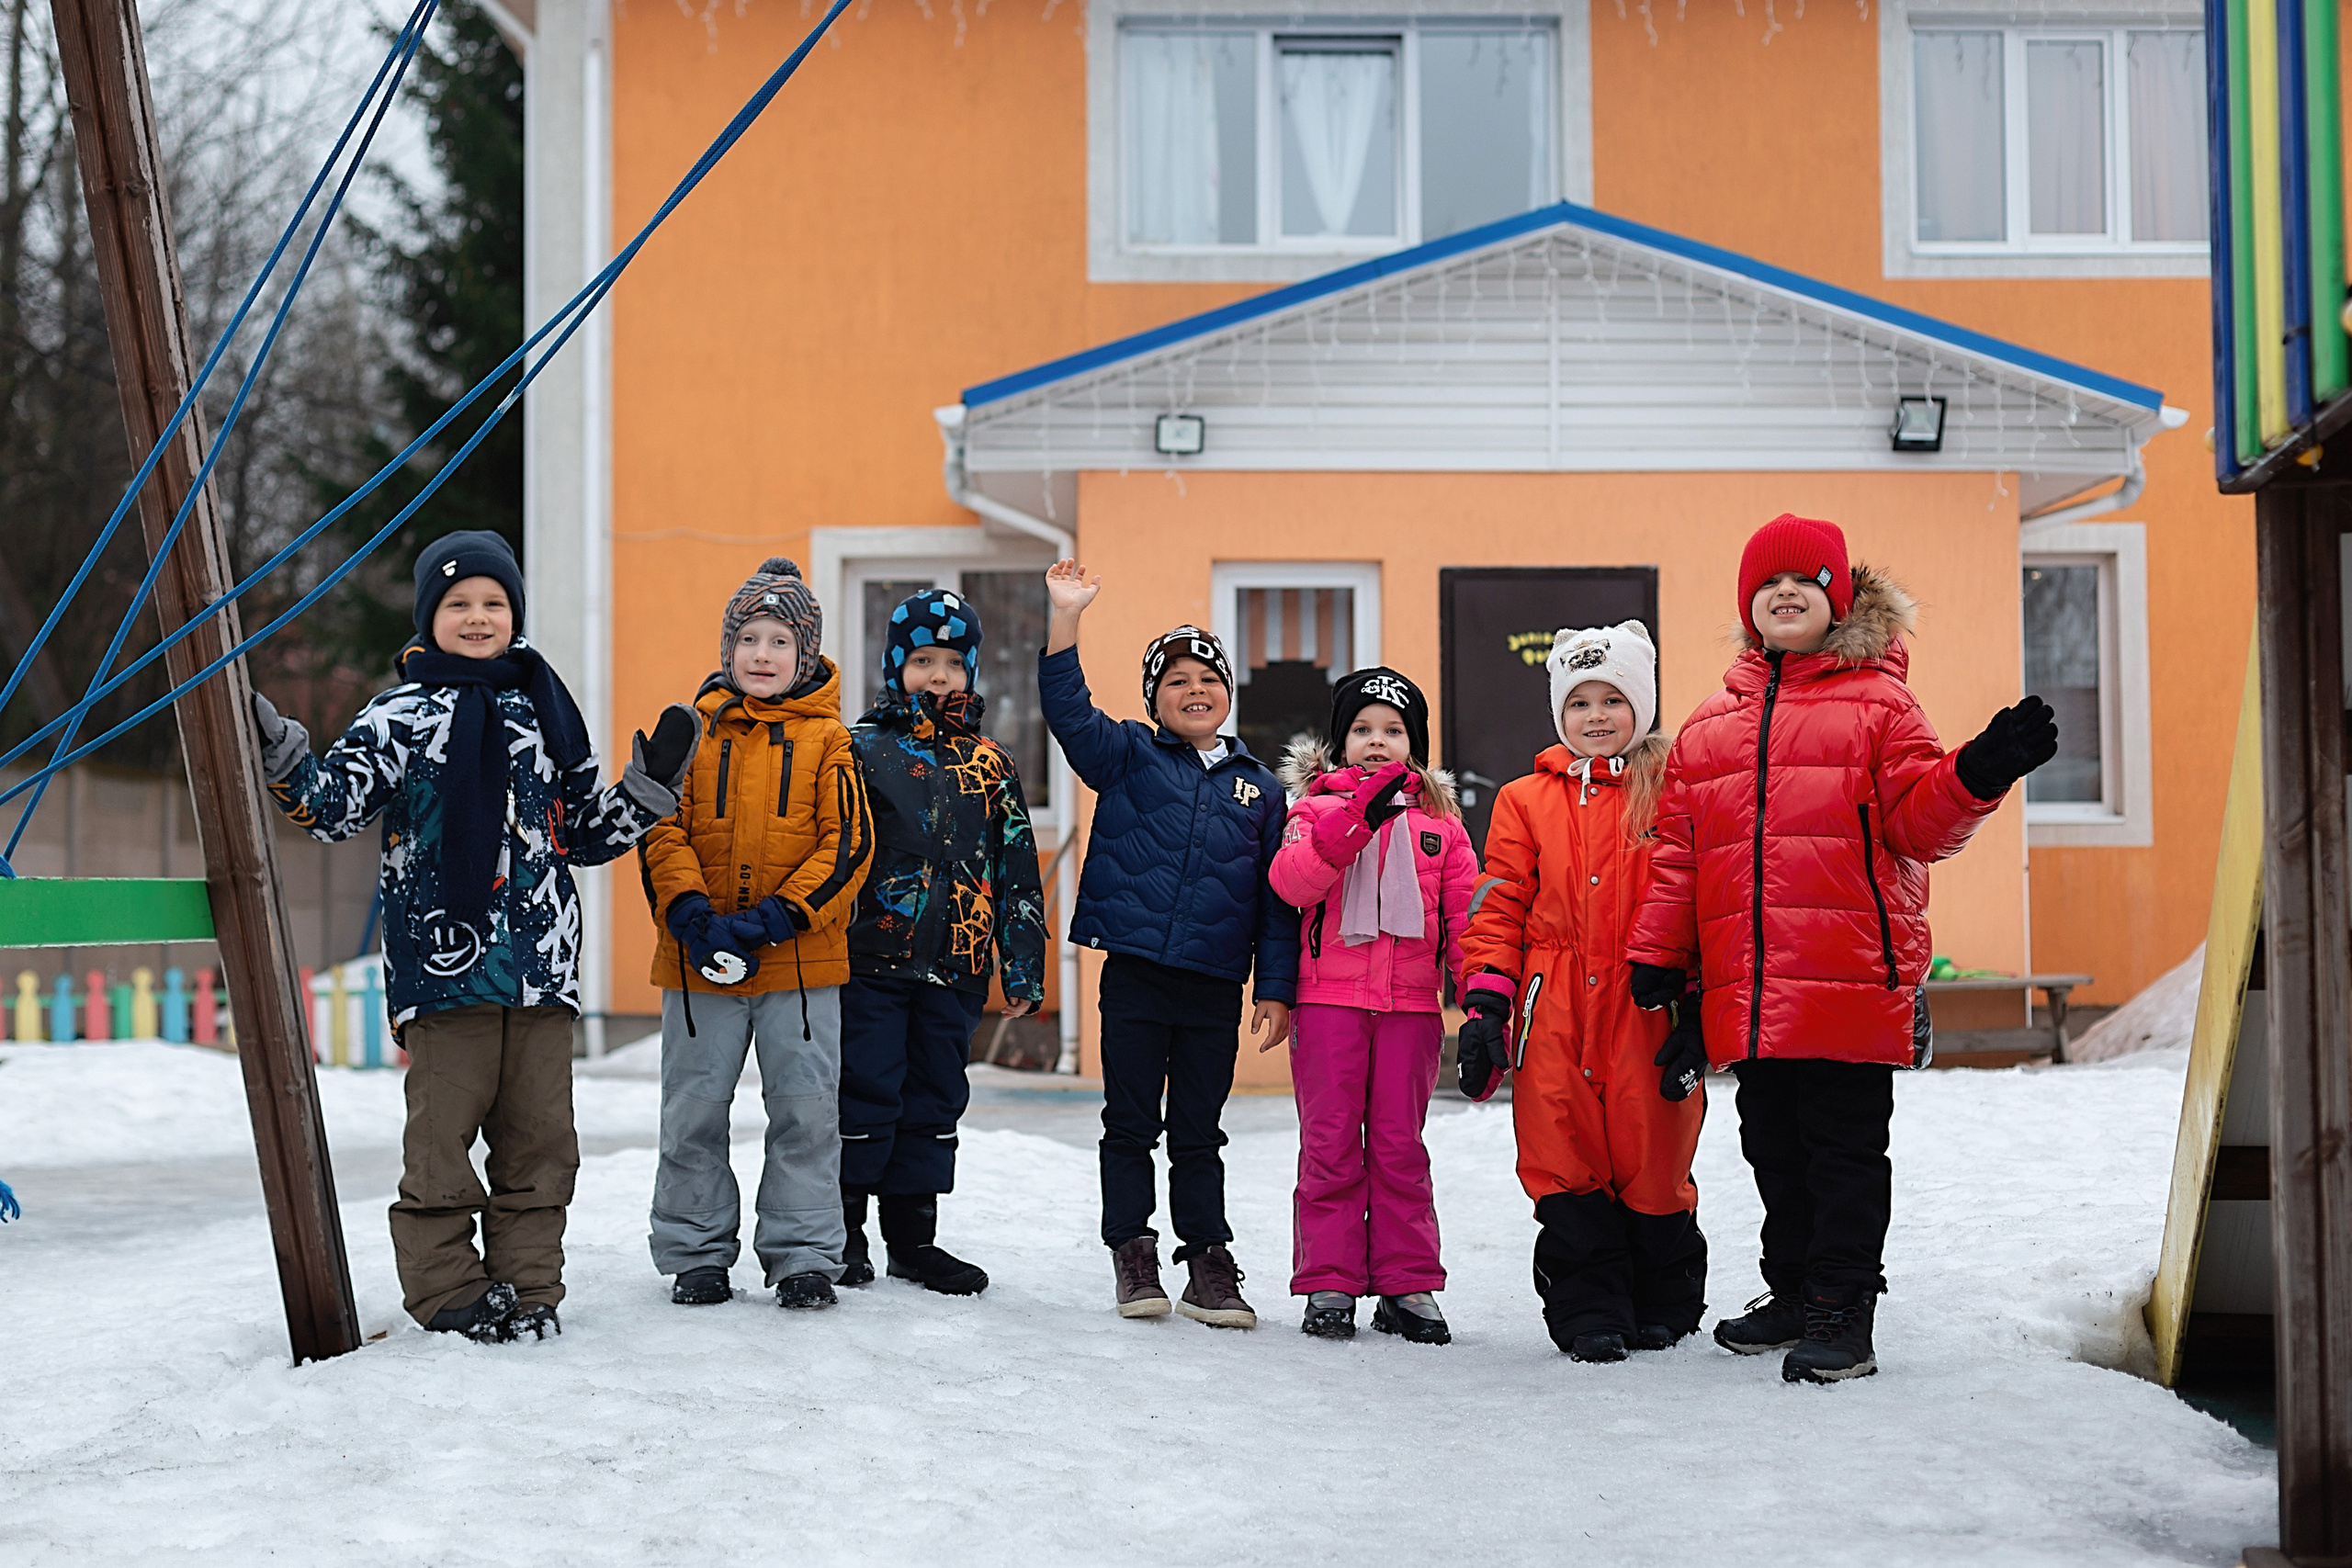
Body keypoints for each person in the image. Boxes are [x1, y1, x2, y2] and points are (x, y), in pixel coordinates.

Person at [1626, 513, 2057, 1383]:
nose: (1785, 595)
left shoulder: (1881, 704)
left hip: (1849, 975)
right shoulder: (1710, 726)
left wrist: (1978, 771)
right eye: (1767, 585)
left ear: (1838, 599)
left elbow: (1916, 823)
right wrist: (1658, 951)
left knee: (1844, 1151)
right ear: (1749, 607)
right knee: (1772, 1147)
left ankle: (1843, 1309)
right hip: (1749, 986)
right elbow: (1679, 851)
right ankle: (1793, 1291)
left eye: (1805, 582)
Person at [254, 529, 695, 1342]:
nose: (479, 616)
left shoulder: (545, 713)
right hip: (444, 971)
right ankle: (450, 1291)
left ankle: (530, 1287)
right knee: (440, 1147)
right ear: (429, 618)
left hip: (541, 972)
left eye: (494, 602)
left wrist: (647, 789)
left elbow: (583, 835)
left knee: (540, 1146)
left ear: (515, 613)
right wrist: (289, 763)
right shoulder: (399, 715)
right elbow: (335, 806)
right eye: (459, 603)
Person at [1038, 559, 1298, 1329]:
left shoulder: (1261, 789)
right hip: (1138, 975)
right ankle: (1133, 1251)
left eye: (1207, 678)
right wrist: (1066, 619)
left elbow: (1277, 902)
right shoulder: (1126, 755)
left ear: (1227, 695)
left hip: (1215, 984)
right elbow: (1066, 708)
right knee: (1128, 1121)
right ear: (1155, 698)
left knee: (1198, 1131)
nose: (1194, 690)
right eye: (1175, 679)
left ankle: (1208, 1263)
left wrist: (1275, 987)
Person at [1456, 622, 1707, 1364]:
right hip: (1553, 1004)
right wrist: (1486, 1006)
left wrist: (1697, 1004)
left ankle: (1663, 1301)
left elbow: (1698, 897)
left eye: (1613, 699)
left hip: (1647, 1000)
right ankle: (1589, 1305)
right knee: (1561, 1150)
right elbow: (1497, 906)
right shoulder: (1524, 800)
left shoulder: (1672, 793)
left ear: (1642, 705)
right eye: (1579, 702)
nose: (1596, 716)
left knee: (1653, 1150)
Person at [639, 557, 873, 1313]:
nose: (762, 655)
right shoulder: (694, 732)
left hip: (800, 963)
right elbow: (660, 828)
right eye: (749, 638)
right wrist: (693, 917)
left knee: (805, 1111)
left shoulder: (831, 743)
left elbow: (847, 846)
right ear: (727, 648)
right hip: (697, 958)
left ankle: (803, 1254)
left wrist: (778, 917)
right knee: (693, 1112)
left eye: (778, 641)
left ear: (803, 655)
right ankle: (697, 1253)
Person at [838, 587, 1048, 1296]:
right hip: (869, 958)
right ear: (896, 663)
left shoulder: (991, 763)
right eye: (923, 659)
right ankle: (844, 1232)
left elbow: (1016, 864)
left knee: (933, 1093)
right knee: (866, 1087)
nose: (938, 676)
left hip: (955, 962)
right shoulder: (860, 749)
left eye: (953, 663)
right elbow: (838, 852)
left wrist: (1022, 963)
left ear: (972, 672)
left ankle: (914, 1240)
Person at [1268, 668, 1476, 1345]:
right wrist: (1355, 821)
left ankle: (1406, 1281)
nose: (1377, 742)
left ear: (1414, 745)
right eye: (1362, 730)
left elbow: (1467, 926)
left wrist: (1479, 1007)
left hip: (1411, 1008)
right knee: (1329, 1144)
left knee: (1397, 1146)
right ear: (1339, 741)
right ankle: (1328, 1279)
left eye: (1393, 731)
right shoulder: (1311, 812)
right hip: (1329, 1003)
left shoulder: (1441, 827)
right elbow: (1292, 883)